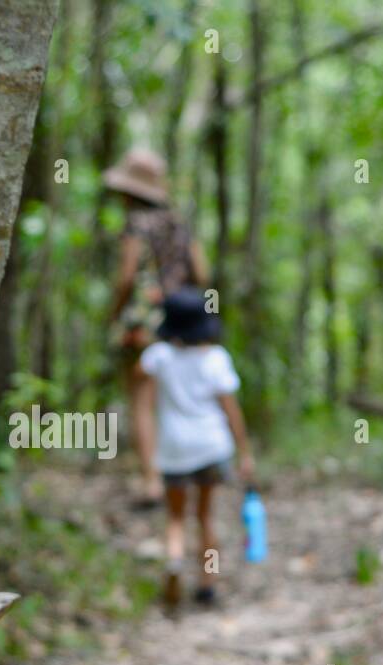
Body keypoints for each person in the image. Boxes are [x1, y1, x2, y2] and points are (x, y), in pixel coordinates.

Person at [102, 147, 209, 507]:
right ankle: (182, 474)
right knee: (173, 397)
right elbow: (202, 273)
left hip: (143, 323)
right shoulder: (180, 222)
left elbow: (126, 276)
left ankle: (152, 481)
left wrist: (116, 312)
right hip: (181, 320)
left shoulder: (135, 223)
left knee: (141, 401)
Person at [133, 287, 253, 608]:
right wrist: (244, 452)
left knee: (175, 516)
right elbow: (231, 410)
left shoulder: (157, 357)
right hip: (211, 445)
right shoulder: (216, 359)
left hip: (174, 448)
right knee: (205, 516)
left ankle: (174, 562)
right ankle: (207, 580)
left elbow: (140, 395)